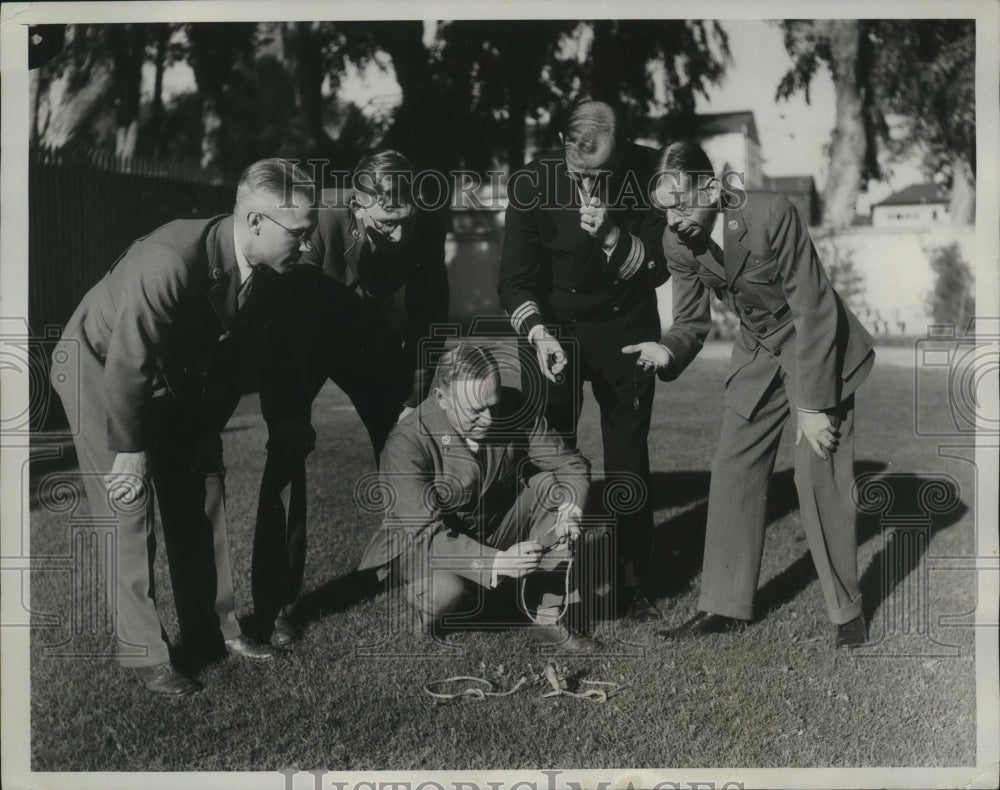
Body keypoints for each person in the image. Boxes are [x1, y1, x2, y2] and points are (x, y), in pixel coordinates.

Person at [50, 158, 317, 696]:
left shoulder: (268, 275)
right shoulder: (169, 259)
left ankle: (214, 631)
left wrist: (202, 432)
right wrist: (129, 451)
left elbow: (234, 363)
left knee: (204, 481)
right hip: (97, 365)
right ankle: (145, 653)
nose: (309, 245)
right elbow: (129, 360)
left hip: (166, 377)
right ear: (257, 223)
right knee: (128, 501)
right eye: (301, 233)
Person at [625, 140, 875, 646]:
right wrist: (668, 351)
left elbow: (815, 309)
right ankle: (724, 605)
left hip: (815, 344)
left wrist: (812, 405)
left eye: (681, 203)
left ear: (711, 186)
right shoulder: (678, 244)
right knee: (733, 464)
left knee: (816, 471)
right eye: (664, 209)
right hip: (759, 350)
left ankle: (848, 614)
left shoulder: (769, 212)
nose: (673, 220)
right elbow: (691, 322)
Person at [498, 100, 704, 614]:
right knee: (552, 459)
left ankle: (632, 584)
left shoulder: (652, 168)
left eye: (605, 172)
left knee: (627, 460)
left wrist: (613, 235)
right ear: (564, 145)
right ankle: (544, 582)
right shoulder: (530, 182)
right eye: (582, 173)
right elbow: (515, 280)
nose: (592, 183)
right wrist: (540, 335)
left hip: (626, 333)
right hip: (555, 335)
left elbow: (660, 267)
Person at [253, 150, 449, 646]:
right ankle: (278, 604)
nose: (401, 235)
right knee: (287, 449)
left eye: (406, 220)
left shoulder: (423, 226)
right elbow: (289, 327)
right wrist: (290, 414)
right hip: (306, 337)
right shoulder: (319, 226)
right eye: (387, 223)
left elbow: (431, 319)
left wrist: (412, 395)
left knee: (408, 444)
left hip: (370, 335)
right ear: (359, 206)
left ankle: (415, 569)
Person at [357, 343, 599, 652]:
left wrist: (571, 513)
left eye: (493, 405)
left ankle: (546, 617)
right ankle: (431, 619)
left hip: (495, 524)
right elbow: (425, 534)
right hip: (425, 543)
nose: (488, 418)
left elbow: (570, 463)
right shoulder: (406, 442)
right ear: (442, 399)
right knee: (445, 591)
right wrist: (498, 562)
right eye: (475, 410)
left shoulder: (513, 406)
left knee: (549, 485)